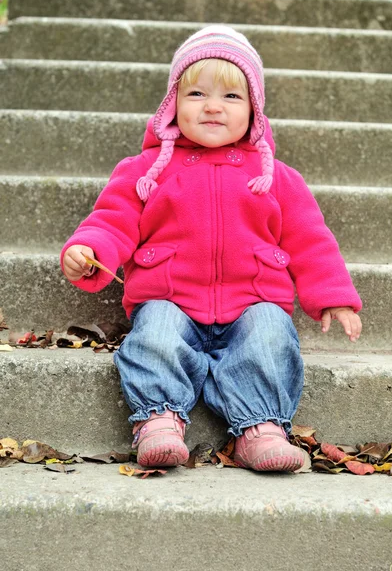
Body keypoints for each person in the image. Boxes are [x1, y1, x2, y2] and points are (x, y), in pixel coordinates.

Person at [61, 26, 362, 473]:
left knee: (269, 337)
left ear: (254, 110)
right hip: (170, 296)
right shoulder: (145, 170)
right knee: (155, 335)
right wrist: (89, 249)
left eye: (232, 97)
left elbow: (310, 238)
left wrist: (333, 296)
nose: (213, 106)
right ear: (172, 105)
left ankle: (260, 428)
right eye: (197, 92)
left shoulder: (276, 176)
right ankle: (159, 419)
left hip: (253, 299)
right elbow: (113, 218)